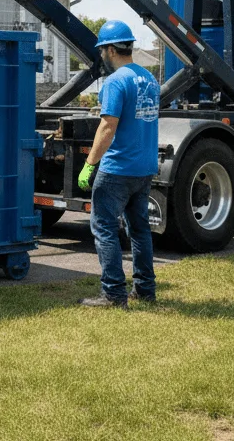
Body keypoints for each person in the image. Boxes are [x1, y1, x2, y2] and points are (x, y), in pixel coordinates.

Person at [75, 20, 160, 309]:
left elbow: (108, 127)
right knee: (139, 230)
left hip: (118, 169)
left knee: (104, 228)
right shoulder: (149, 79)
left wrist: (89, 164)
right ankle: (145, 290)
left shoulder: (115, 81)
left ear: (111, 49)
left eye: (102, 50)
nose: (101, 56)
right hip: (145, 167)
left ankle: (113, 294)